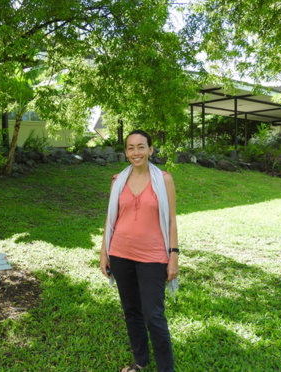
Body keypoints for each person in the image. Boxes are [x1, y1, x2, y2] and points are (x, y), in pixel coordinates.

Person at [100, 130, 179, 372]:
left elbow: (172, 221)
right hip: (120, 254)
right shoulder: (117, 180)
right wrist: (104, 253)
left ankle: (166, 369)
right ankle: (140, 362)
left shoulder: (164, 179)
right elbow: (110, 218)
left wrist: (173, 255)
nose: (136, 152)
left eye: (141, 147)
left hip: (152, 257)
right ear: (126, 152)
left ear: (151, 150)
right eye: (131, 148)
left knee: (154, 316)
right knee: (132, 312)